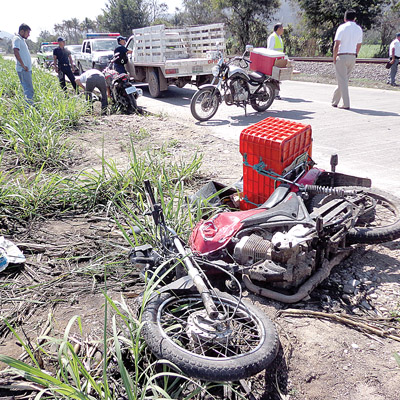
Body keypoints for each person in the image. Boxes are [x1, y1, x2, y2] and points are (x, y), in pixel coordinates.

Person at [331, 10, 363, 110]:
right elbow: (359, 44)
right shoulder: (359, 29)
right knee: (344, 80)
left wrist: (334, 57)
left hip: (342, 55)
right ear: (355, 18)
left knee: (342, 80)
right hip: (352, 56)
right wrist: (355, 54)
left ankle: (346, 104)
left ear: (345, 18)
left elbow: (336, 45)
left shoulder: (342, 27)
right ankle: (335, 101)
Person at [12, 23, 34, 105]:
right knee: (28, 89)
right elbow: (16, 51)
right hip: (23, 69)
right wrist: (23, 65)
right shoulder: (17, 39)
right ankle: (29, 108)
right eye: (27, 32)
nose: (29, 35)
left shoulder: (21, 40)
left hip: (26, 69)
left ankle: (29, 106)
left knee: (28, 89)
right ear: (22, 31)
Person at [267, 23, 284, 100]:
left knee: (277, 77)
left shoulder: (279, 37)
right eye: (282, 28)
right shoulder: (272, 37)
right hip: (274, 60)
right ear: (278, 29)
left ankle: (275, 93)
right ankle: (274, 94)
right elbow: (270, 50)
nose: (283, 30)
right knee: (274, 77)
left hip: (279, 60)